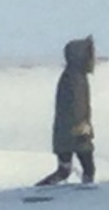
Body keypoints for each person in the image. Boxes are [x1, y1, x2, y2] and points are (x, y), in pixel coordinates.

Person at [37, 35, 96, 185]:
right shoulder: (75, 78)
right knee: (87, 168)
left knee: (64, 170)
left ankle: (41, 188)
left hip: (67, 133)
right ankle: (86, 195)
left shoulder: (73, 76)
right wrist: (82, 127)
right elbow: (77, 106)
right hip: (76, 133)